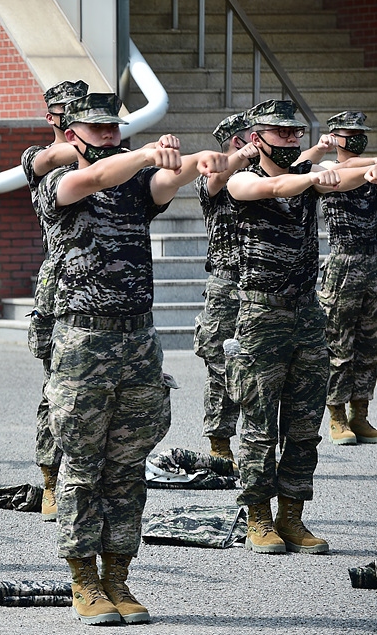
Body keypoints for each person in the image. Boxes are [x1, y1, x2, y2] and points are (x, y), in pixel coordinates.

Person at [33, 93, 226, 624]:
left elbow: (169, 180)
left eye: (114, 128)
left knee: (128, 463)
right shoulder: (56, 184)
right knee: (83, 463)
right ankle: (83, 579)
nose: (109, 135)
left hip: (138, 340)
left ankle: (118, 575)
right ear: (72, 135)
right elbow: (91, 181)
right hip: (84, 342)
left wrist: (204, 161)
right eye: (97, 130)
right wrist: (144, 154)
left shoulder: (137, 182)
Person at [225, 100, 375, 556]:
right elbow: (270, 189)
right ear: (257, 139)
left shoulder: (310, 180)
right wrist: (313, 174)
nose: (290, 140)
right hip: (260, 315)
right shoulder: (242, 180)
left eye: (295, 134)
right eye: (280, 133)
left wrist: (356, 170)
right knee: (257, 424)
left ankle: (292, 515)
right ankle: (257, 517)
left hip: (306, 314)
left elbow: (350, 172)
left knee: (305, 423)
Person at [19, 79, 88, 519]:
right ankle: (49, 479)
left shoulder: (104, 155)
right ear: (53, 116)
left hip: (99, 289)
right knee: (56, 392)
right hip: (59, 290)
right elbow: (53, 156)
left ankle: (81, 482)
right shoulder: (39, 158)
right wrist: (93, 143)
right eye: (70, 111)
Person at [194, 113, 261, 466]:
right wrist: (247, 154)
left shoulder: (260, 177)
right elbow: (217, 178)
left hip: (262, 285)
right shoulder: (211, 179)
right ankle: (220, 446)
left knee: (262, 368)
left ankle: (257, 450)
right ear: (241, 141)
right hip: (226, 286)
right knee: (221, 370)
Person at [317, 111, 377, 445]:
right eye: (347, 133)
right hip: (343, 266)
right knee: (340, 344)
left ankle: (361, 413)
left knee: (369, 345)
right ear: (334, 138)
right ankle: (336, 416)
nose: (355, 138)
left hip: (373, 263)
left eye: (360, 133)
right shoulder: (327, 169)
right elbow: (340, 174)